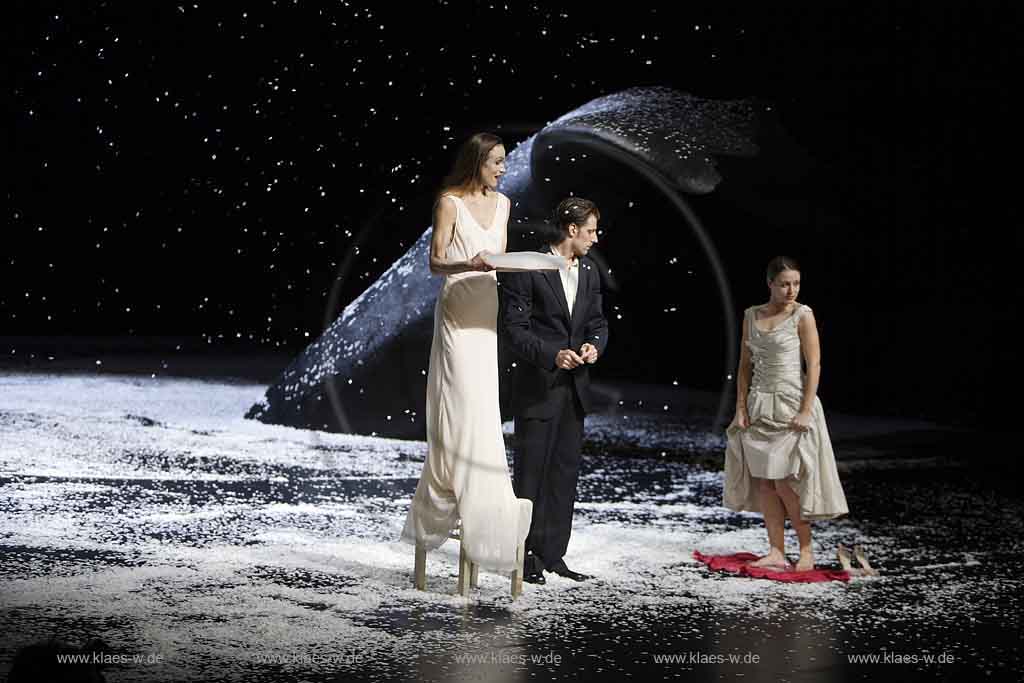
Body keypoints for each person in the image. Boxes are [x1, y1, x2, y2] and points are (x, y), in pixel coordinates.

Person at [400, 133, 533, 573]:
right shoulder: (449, 202)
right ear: (476, 162)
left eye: (504, 163)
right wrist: (470, 263)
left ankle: (483, 488)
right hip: (458, 308)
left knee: (482, 401)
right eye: (495, 163)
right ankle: (451, 485)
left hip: (486, 310)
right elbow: (436, 262)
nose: (502, 170)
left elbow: (504, 258)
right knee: (457, 398)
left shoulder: (505, 205)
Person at [498, 197, 609, 584]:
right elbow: (514, 330)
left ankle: (553, 554)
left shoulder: (591, 272)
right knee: (531, 475)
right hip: (538, 388)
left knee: (564, 475)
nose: (596, 238)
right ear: (572, 230)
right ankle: (524, 556)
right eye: (591, 230)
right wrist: (552, 355)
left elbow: (597, 322)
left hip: (575, 390)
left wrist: (594, 344)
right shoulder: (530, 268)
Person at [723, 256, 848, 571]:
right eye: (784, 284)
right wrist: (740, 408)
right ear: (770, 284)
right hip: (759, 406)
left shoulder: (802, 315)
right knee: (766, 483)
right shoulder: (752, 316)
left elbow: (814, 363)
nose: (791, 290)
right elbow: (744, 365)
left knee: (786, 483)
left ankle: (806, 550)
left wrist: (807, 409)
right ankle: (776, 550)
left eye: (796, 283)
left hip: (790, 405)